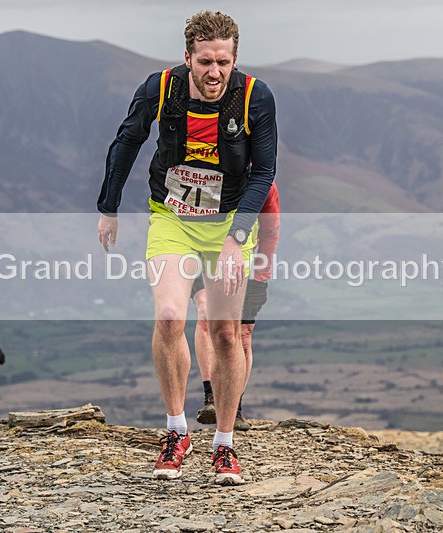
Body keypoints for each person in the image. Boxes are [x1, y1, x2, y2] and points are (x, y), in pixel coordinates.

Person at [97, 11, 277, 485]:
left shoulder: (255, 96)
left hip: (228, 224)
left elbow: (264, 171)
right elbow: (127, 141)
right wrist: (108, 207)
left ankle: (224, 443)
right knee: (169, 317)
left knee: (225, 333)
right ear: (188, 57)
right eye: (205, 62)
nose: (214, 72)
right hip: (171, 218)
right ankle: (176, 432)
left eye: (223, 62)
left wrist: (239, 238)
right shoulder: (161, 88)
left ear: (234, 60)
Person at [194, 181, 280, 431]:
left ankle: (234, 405)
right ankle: (211, 399)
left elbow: (270, 230)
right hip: (203, 257)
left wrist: (261, 274)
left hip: (246, 265)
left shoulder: (265, 185)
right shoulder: (210, 173)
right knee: (206, 315)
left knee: (242, 335)